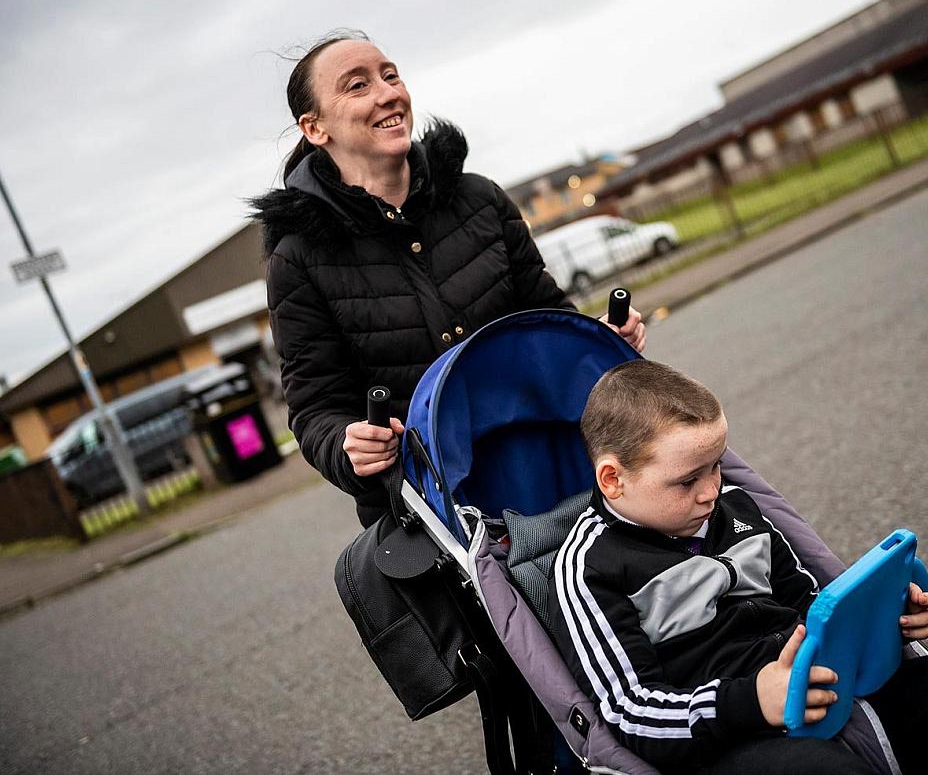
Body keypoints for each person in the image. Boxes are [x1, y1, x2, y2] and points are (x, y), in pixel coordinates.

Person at [551, 359, 928, 775]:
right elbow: (631, 712)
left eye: (716, 465)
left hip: (822, 682)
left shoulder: (736, 508)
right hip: (729, 736)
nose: (711, 490)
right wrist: (750, 702)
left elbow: (806, 601)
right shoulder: (591, 567)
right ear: (613, 481)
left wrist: (882, 618)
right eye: (688, 480)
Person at [251, 31, 646, 525]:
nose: (387, 92)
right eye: (357, 86)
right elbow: (315, 412)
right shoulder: (299, 258)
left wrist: (599, 343)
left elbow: (548, 320)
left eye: (390, 74)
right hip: (430, 511)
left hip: (546, 467)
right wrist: (348, 446)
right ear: (314, 128)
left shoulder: (480, 200)